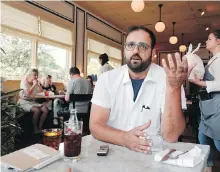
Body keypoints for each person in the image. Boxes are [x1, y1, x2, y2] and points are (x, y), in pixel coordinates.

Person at [90, 25, 188, 153]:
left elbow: (171, 135)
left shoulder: (169, 79)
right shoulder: (107, 79)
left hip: (152, 153)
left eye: (143, 46)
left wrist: (174, 87)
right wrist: (124, 138)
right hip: (113, 152)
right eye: (130, 45)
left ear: (152, 53)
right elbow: (95, 126)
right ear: (125, 49)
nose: (135, 51)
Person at [189, 30, 220, 172]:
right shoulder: (213, 59)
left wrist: (200, 83)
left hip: (217, 105)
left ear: (218, 41)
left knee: (218, 141)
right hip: (208, 105)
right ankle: (208, 168)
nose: (206, 41)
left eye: (209, 38)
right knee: (203, 138)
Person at [18, 69, 49, 133]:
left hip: (32, 101)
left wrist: (38, 85)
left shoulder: (35, 82)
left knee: (45, 109)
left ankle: (40, 127)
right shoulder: (24, 81)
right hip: (23, 101)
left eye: (37, 75)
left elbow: (41, 92)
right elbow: (27, 93)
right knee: (37, 110)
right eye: (34, 75)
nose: (36, 77)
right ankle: (35, 129)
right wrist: (34, 85)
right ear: (29, 75)